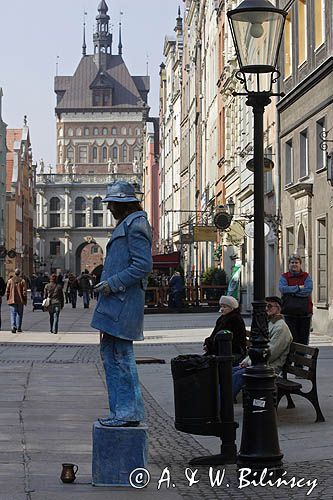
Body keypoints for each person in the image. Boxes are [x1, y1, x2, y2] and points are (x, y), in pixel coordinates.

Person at [91, 180, 152, 427]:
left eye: (112, 204)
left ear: (123, 204)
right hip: (116, 303)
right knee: (111, 353)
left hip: (122, 303)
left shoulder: (135, 225)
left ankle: (127, 412)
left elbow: (142, 265)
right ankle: (122, 410)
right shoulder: (129, 223)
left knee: (120, 356)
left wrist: (112, 283)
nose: (109, 209)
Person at [232, 296, 293, 398]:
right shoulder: (269, 323)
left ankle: (223, 403)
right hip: (260, 363)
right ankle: (219, 401)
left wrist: (248, 363)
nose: (266, 309)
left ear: (278, 308)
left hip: (270, 366)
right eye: (265, 306)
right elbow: (257, 347)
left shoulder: (281, 327)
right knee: (229, 371)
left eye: (270, 306)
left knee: (238, 375)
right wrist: (245, 361)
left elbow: (271, 353)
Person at [279, 254, 313, 345]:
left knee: (304, 339)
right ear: (289, 264)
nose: (294, 264)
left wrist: (291, 292)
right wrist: (298, 287)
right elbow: (283, 289)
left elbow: (308, 290)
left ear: (300, 264)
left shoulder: (306, 276)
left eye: (296, 262)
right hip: (289, 312)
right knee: (291, 338)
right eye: (292, 262)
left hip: (305, 312)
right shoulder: (284, 277)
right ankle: (293, 357)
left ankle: (302, 358)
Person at [203, 295, 247, 366]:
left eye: (224, 307)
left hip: (233, 352)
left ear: (232, 308)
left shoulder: (234, 319)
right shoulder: (223, 318)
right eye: (221, 306)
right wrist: (208, 344)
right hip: (222, 350)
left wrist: (209, 346)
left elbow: (229, 340)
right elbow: (214, 334)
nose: (222, 309)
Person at [6, 269, 27, 333]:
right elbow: (24, 292)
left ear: (14, 273)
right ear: (19, 273)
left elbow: (7, 291)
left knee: (13, 314)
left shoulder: (10, 281)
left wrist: (8, 298)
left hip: (12, 299)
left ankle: (13, 327)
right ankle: (19, 327)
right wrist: (24, 299)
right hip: (20, 300)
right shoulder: (22, 281)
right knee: (20, 314)